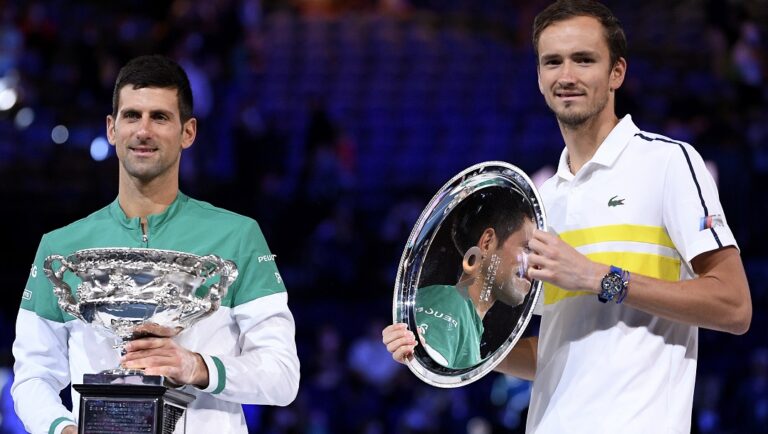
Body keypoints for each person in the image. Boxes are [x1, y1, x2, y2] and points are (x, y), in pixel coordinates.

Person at [383, 1, 752, 432]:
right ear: (540, 78)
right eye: (553, 62)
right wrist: (442, 345)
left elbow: (734, 306)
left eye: (584, 60)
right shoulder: (540, 202)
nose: (567, 75)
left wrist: (598, 277)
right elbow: (553, 356)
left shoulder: (669, 163)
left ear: (617, 73)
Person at [11, 55, 300, 434]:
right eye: (132, 116)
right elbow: (32, 376)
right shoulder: (61, 249)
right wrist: (63, 429)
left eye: (160, 117)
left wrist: (197, 367)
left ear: (188, 132)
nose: (143, 131)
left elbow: (282, 375)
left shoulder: (238, 237)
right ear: (112, 129)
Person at [415, 187, 534, 369]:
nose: (535, 264)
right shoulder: (451, 306)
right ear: (487, 243)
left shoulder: (467, 320)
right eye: (527, 248)